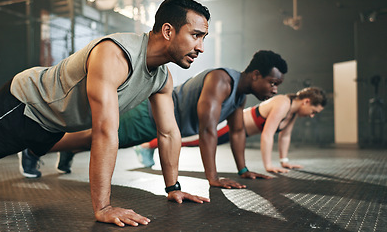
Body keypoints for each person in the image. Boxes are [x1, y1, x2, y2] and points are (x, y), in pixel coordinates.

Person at [0, 0, 211, 227]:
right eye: (195, 35)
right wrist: (103, 207)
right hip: (28, 102)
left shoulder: (161, 78)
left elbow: (168, 131)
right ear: (167, 31)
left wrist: (173, 187)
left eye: (203, 38)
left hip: (53, 122)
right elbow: (104, 131)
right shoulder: (115, 54)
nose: (200, 47)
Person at [43, 50, 288, 189]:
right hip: (149, 116)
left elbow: (236, 132)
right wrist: (212, 179)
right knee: (93, 139)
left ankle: (68, 151)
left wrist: (243, 170)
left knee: (91, 141)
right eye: (273, 83)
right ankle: (36, 147)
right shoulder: (221, 81)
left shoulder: (239, 96)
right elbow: (208, 130)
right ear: (256, 75)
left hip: (163, 125)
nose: (275, 90)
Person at [135, 87, 327, 173]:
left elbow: (284, 137)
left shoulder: (292, 113)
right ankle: (145, 146)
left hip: (238, 133)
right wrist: (268, 165)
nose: (312, 115)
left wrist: (284, 162)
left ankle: (147, 146)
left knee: (191, 142)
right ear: (307, 101)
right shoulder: (283, 103)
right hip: (228, 126)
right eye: (313, 111)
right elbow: (268, 135)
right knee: (190, 141)